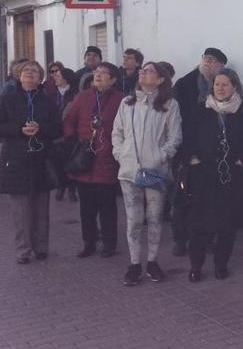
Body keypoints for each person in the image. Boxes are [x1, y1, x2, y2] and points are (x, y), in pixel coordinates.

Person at [112, 61, 182, 286]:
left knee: (154, 217)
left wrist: (160, 156)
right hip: (129, 171)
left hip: (155, 171)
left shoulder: (169, 105)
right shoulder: (127, 103)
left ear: (161, 79)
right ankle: (134, 264)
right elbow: (117, 132)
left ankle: (152, 261)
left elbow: (175, 137)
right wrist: (121, 154)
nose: (143, 73)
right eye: (142, 71)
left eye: (149, 71)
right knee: (133, 219)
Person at [182, 68, 243, 282]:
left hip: (230, 176)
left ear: (234, 87)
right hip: (202, 174)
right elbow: (187, 138)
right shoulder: (201, 110)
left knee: (226, 225)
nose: (220, 88)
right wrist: (192, 158)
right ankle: (196, 265)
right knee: (198, 225)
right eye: (217, 84)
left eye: (225, 84)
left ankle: (221, 264)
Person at [0, 61, 62, 264]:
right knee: (20, 210)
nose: (30, 73)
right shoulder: (7, 99)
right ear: (19, 77)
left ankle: (41, 247)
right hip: (16, 159)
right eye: (26, 71)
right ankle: (23, 250)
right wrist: (19, 129)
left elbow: (58, 128)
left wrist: (41, 128)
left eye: (34, 71)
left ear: (40, 78)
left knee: (41, 208)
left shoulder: (47, 101)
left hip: (41, 159)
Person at [170, 47, 228, 256]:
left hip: (210, 154)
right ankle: (180, 238)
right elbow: (174, 120)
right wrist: (186, 154)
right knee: (183, 197)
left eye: (213, 61)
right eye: (206, 58)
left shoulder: (220, 86)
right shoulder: (185, 84)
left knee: (208, 200)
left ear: (220, 67)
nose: (208, 63)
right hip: (186, 150)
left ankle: (207, 238)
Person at [64, 62, 125, 258]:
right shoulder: (83, 97)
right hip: (85, 161)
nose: (98, 75)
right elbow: (69, 121)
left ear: (113, 79)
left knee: (107, 207)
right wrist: (74, 143)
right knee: (86, 208)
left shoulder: (121, 100)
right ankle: (88, 243)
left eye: (104, 73)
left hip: (107, 160)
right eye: (96, 72)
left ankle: (109, 244)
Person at [46, 65, 79, 202]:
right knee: (56, 162)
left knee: (70, 162)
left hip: (70, 134)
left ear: (66, 79)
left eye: (58, 76)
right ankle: (61, 185)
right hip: (54, 133)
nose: (55, 78)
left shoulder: (75, 94)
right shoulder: (51, 94)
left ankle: (71, 188)